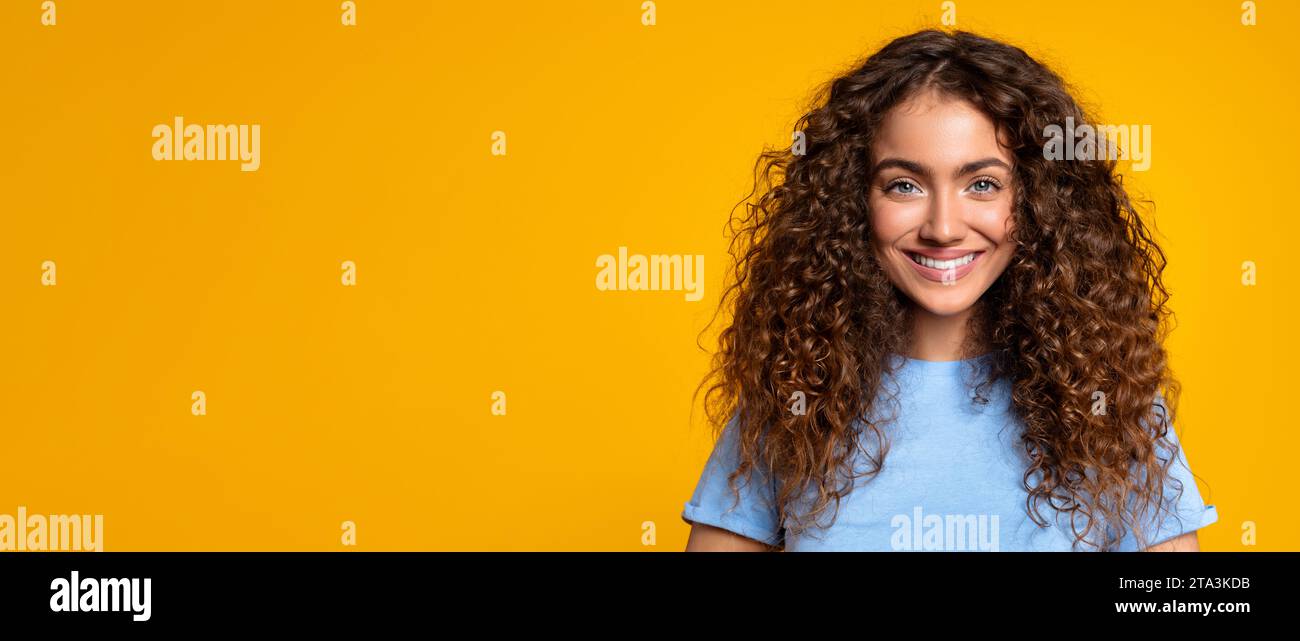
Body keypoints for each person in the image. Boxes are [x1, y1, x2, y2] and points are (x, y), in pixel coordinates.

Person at [683, 29, 1217, 551]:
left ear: (1038, 202)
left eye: (982, 184)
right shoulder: (795, 394)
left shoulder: (1108, 401)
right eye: (904, 185)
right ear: (852, 201)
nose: (943, 227)